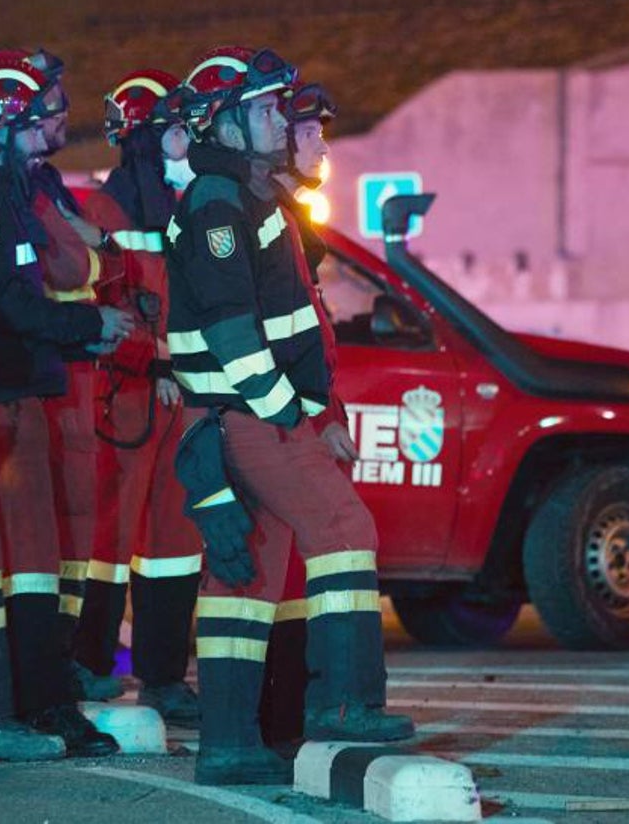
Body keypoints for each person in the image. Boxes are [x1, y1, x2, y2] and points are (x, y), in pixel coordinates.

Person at [166, 46, 413, 786]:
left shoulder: (242, 200)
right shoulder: (216, 204)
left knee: (248, 580)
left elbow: (283, 319)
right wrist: (288, 411)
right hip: (250, 413)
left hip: (242, 414)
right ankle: (345, 702)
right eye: (269, 108)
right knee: (343, 529)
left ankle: (231, 743)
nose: (283, 118)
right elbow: (233, 330)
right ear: (229, 124)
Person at [0, 50, 131, 759]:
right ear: (9, 119)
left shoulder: (7, 182)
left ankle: (42, 700)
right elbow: (7, 299)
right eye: (44, 108)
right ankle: (12, 708)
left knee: (33, 562)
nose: (60, 117)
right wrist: (88, 325)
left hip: (17, 391)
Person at [74, 70, 203, 728]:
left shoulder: (186, 208)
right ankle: (89, 662)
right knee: (106, 538)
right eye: (176, 129)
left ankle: (163, 675)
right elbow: (102, 309)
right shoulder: (105, 215)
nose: (187, 139)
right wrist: (152, 361)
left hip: (178, 401)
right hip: (122, 401)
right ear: (147, 138)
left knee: (174, 542)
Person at [22, 49, 125, 701]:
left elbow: (87, 250)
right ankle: (40, 671)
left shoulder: (44, 186)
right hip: (47, 374)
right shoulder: (13, 192)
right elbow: (65, 270)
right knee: (45, 533)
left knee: (69, 531)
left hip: (68, 377)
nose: (64, 112)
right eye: (53, 103)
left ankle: (56, 662)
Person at [259, 80, 357, 752]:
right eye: (311, 132)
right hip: (278, 423)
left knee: (298, 575)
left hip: (297, 417)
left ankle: (295, 714)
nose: (323, 145)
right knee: (286, 573)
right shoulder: (265, 218)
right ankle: (281, 722)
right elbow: (287, 338)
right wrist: (310, 416)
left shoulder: (291, 218)